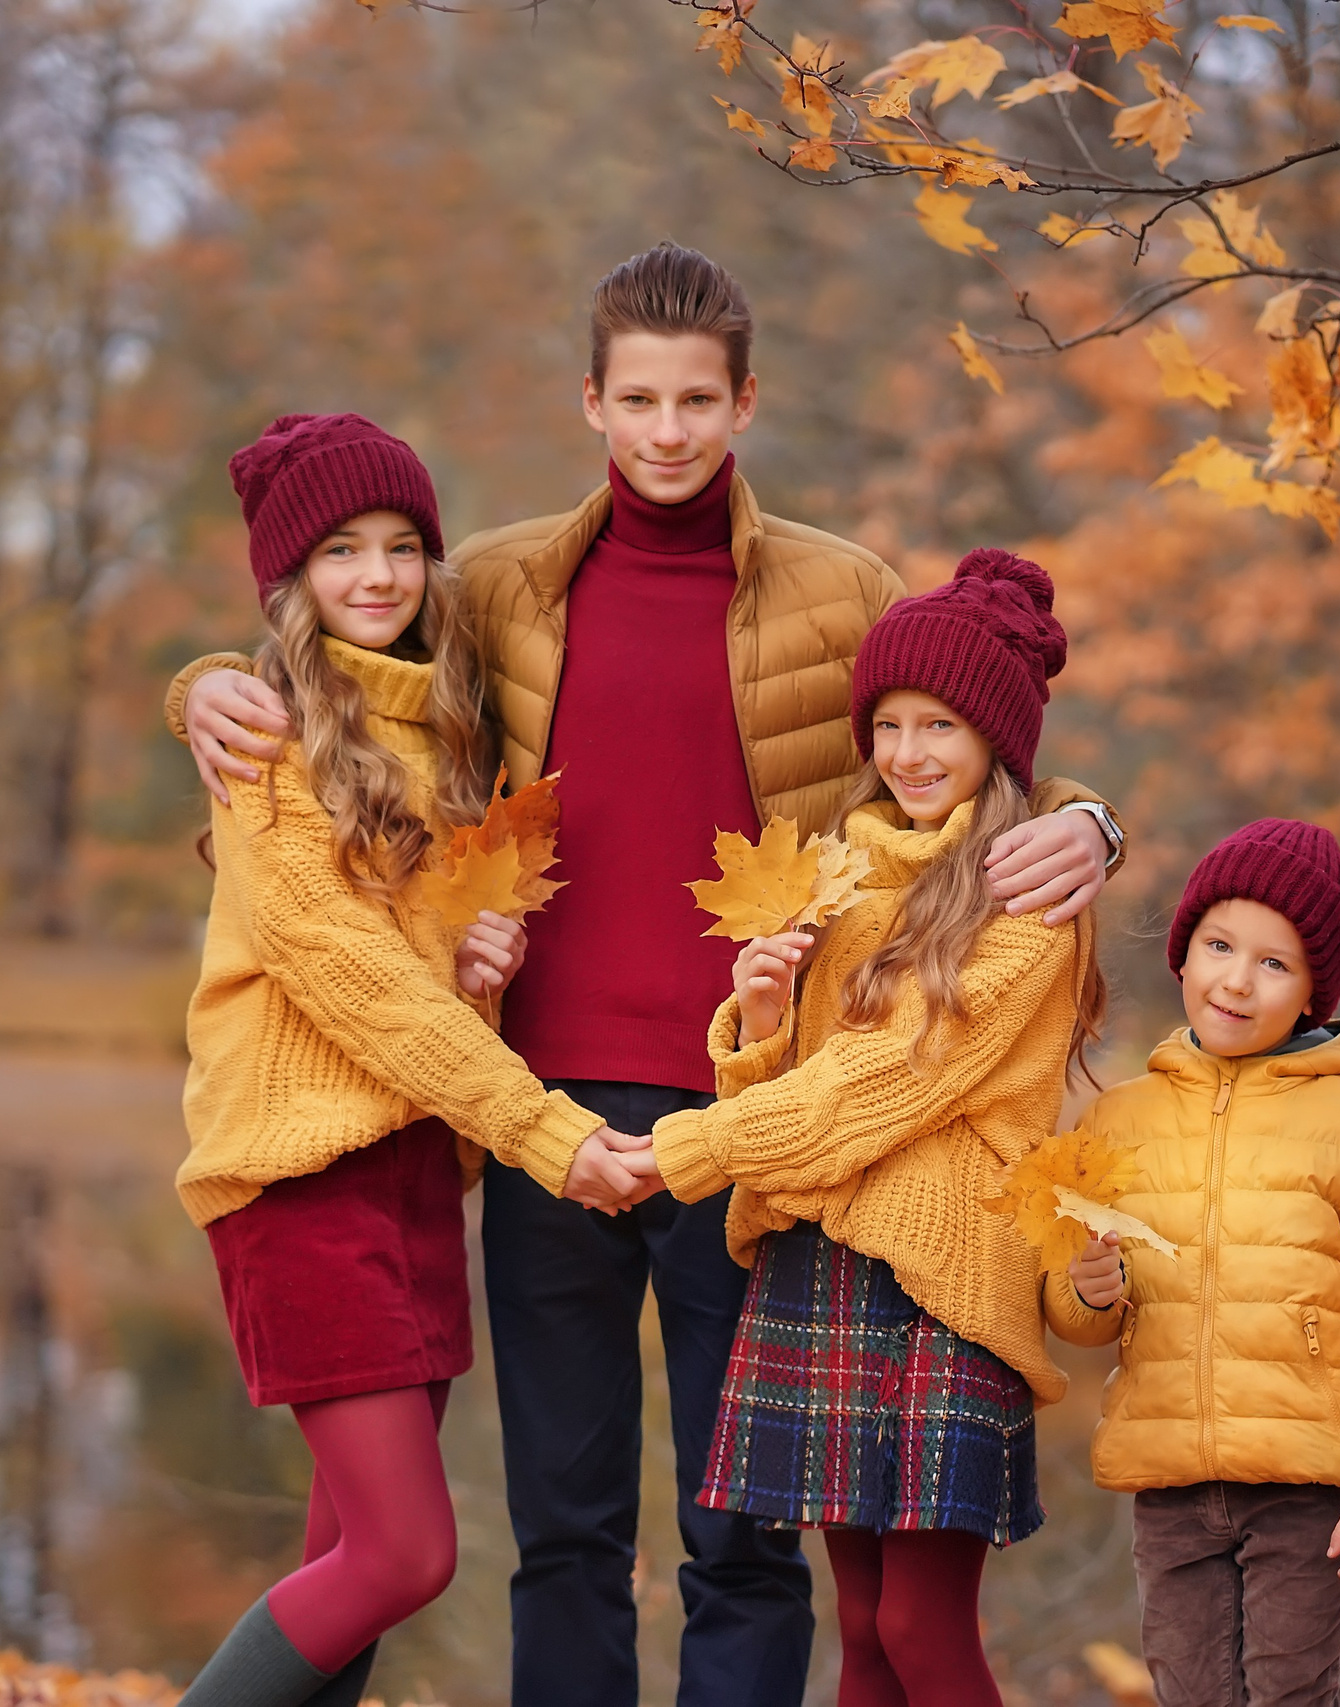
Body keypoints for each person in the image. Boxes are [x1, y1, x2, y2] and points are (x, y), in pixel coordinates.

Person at [164, 244, 1123, 1707]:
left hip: (754, 1121)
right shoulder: (488, 586)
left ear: (745, 402)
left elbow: (964, 721)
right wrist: (200, 687)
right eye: (636, 399)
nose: (665, 430)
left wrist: (1086, 818)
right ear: (591, 404)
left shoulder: (838, 587)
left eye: (695, 399)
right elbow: (334, 681)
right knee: (562, 1524)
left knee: (741, 1539)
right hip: (538, 1105)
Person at [175, 413, 616, 1707]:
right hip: (301, 1183)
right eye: (339, 551)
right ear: (289, 579)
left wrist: (476, 984)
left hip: (415, 1181)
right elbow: (347, 981)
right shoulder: (267, 741)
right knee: (403, 1552)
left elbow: (419, 1002)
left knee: (340, 1554)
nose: (376, 574)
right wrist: (543, 1128)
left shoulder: (452, 743)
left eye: (403, 544)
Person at [638, 548, 1106, 1707]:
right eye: (887, 723)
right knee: (860, 1628)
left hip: (945, 1279)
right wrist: (752, 1021)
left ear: (994, 739)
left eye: (938, 725)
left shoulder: (1029, 899)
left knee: (920, 1620)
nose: (906, 753)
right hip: (815, 1262)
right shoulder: (834, 875)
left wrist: (670, 1156)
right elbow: (793, 1098)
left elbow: (884, 1081)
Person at [1046, 819, 1340, 1707]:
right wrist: (1088, 1288)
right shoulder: (1120, 1118)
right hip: (1169, 1484)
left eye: (1275, 963)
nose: (1237, 978)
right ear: (1182, 954)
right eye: (1219, 945)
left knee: (1287, 1695)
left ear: (1314, 989)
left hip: (1306, 1486)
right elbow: (1081, 1317)